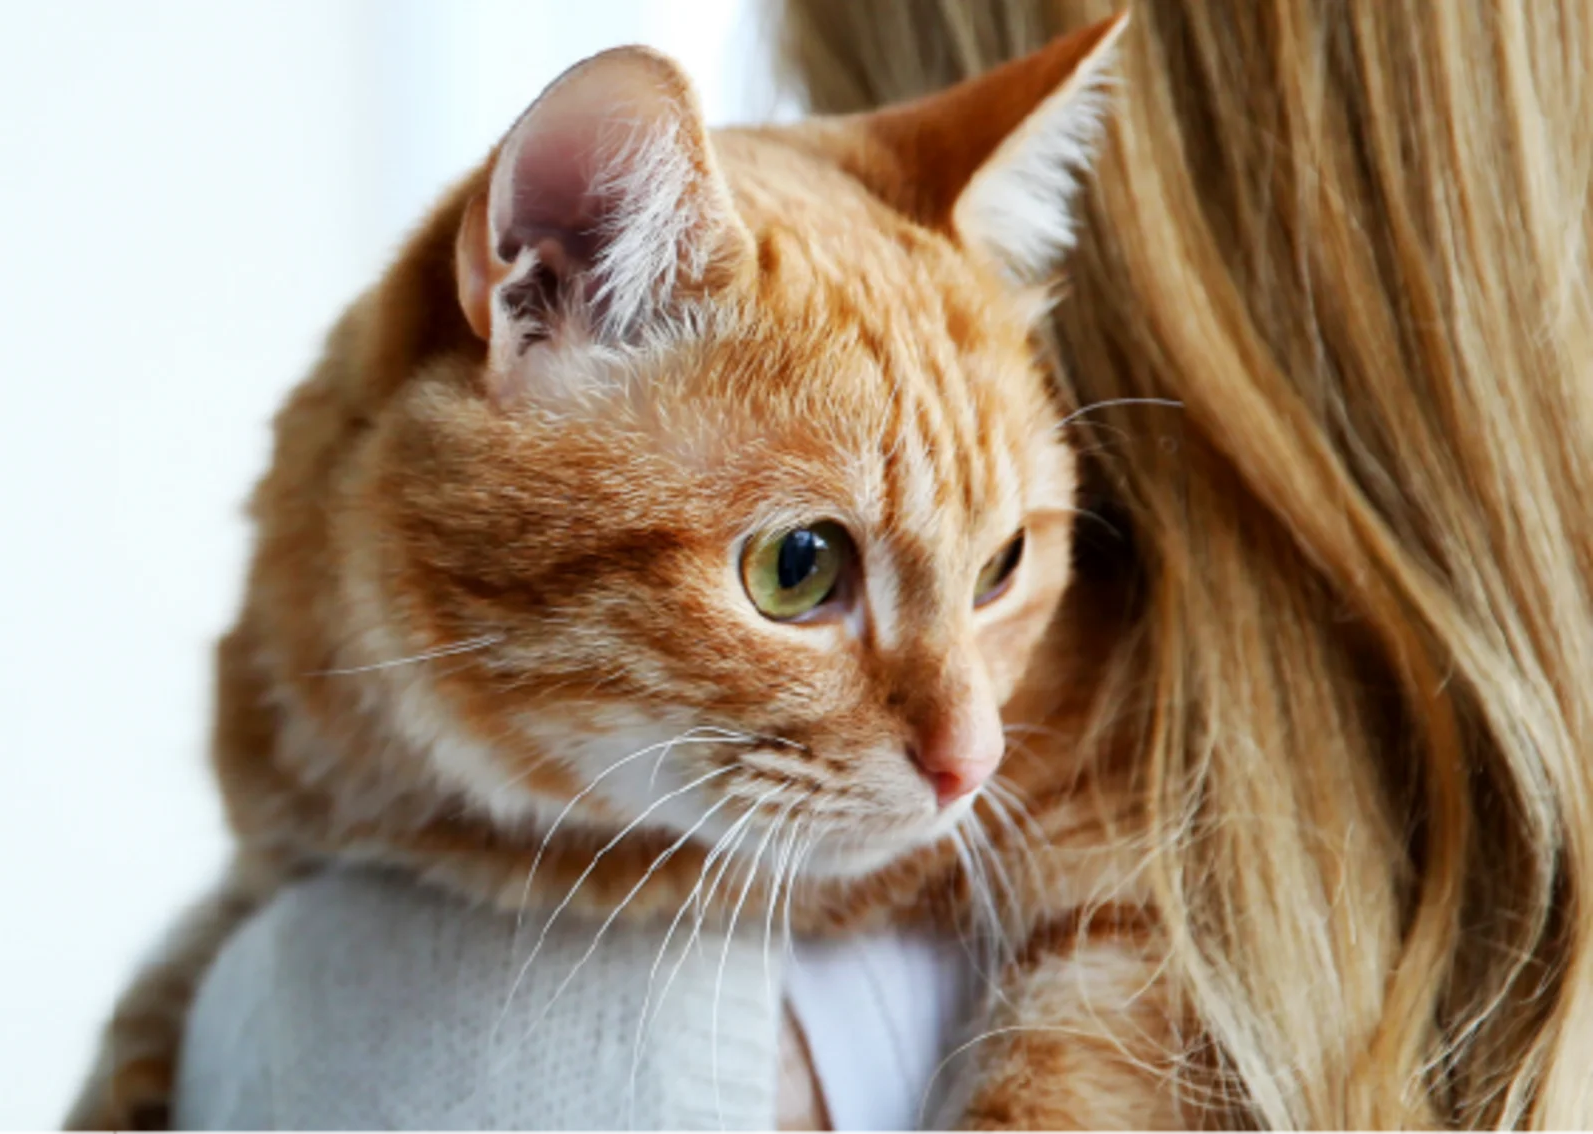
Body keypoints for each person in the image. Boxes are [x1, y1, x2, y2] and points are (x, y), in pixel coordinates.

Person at [177, 0, 1593, 1129]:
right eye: (799, 567)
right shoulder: (291, 726)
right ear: (547, 292)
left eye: (1001, 571)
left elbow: (1161, 906)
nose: (961, 745)